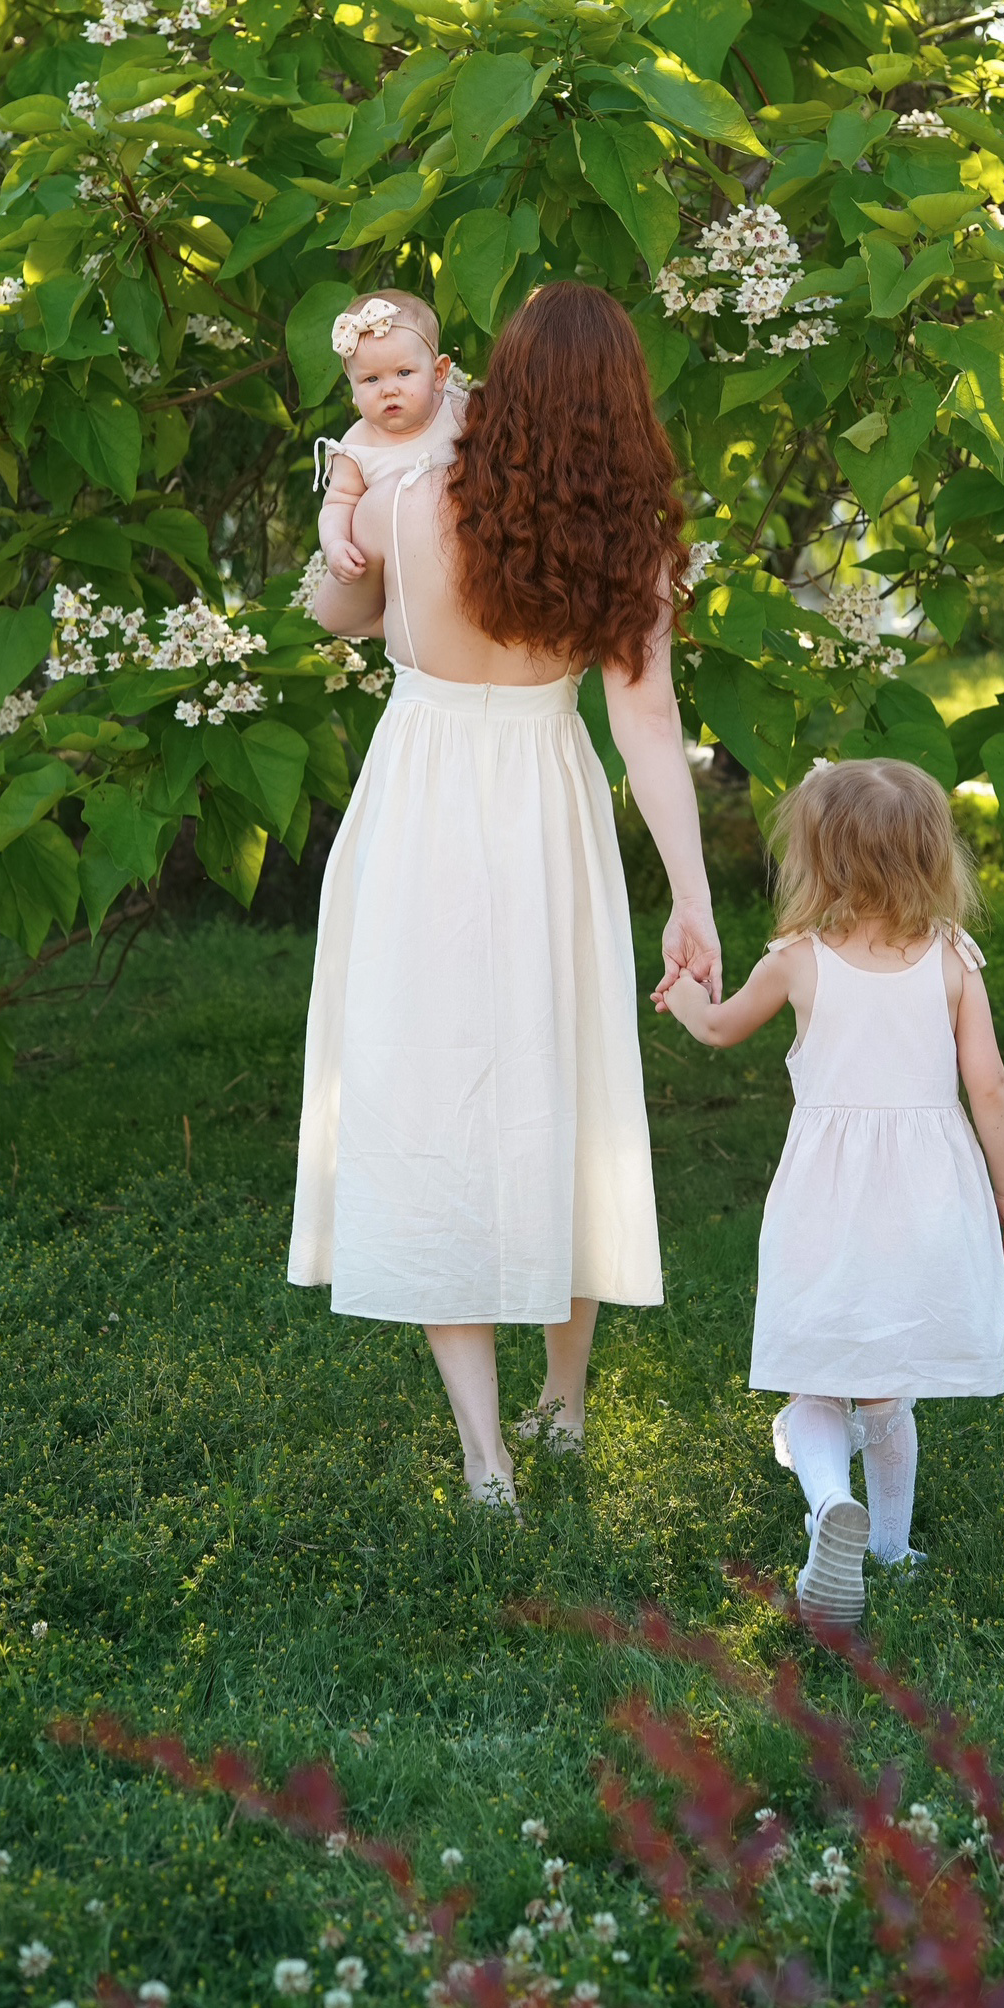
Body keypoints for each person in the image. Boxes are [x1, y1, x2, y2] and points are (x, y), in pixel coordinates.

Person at [289, 282, 722, 1505]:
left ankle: (486, 1460)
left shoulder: (409, 496)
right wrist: (690, 897)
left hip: (421, 797)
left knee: (430, 1095)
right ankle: (564, 1406)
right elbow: (645, 723)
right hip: (545, 800)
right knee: (558, 1080)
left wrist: (340, 540)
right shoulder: (625, 536)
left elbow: (334, 615)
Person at [657, 757, 1004, 1625]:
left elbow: (718, 1028)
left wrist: (679, 998)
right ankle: (891, 1551)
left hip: (826, 1199)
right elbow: (993, 1089)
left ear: (818, 859)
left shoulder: (796, 961)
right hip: (928, 1198)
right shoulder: (953, 959)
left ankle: (829, 1511)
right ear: (932, 855)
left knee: (817, 1381)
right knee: (888, 1389)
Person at [316, 290, 467, 582]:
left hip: (473, 553)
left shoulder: (459, 410)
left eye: (404, 372)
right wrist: (335, 544)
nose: (388, 389)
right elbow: (337, 504)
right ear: (353, 390)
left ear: (438, 374)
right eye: (371, 379)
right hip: (406, 576)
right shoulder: (356, 449)